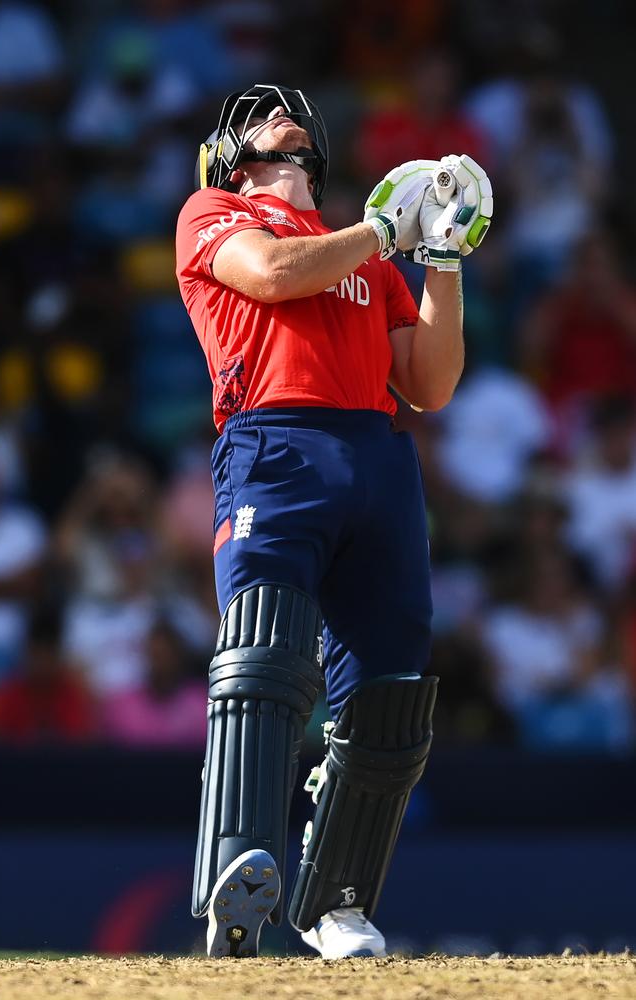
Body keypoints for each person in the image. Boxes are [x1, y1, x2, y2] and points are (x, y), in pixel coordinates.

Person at [175, 83, 492, 959]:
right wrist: (384, 233)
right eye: (255, 115)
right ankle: (238, 870)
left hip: (377, 454)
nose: (280, 110)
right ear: (229, 155)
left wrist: (443, 259)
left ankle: (337, 900)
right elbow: (272, 277)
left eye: (291, 115)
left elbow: (428, 383)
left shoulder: (370, 255)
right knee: (264, 653)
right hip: (274, 440)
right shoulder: (213, 211)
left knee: (389, 689)